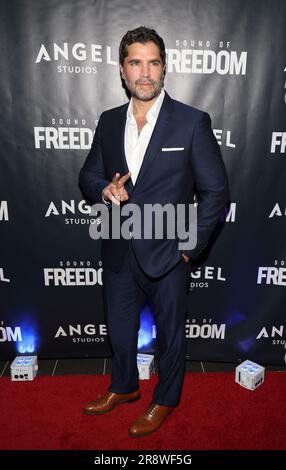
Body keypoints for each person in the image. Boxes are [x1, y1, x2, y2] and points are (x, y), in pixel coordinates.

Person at [79, 26, 229, 437]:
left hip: (168, 252)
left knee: (171, 336)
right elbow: (88, 174)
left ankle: (164, 399)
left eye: (153, 63)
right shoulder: (109, 122)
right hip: (117, 246)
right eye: (135, 62)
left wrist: (189, 247)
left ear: (164, 67)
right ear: (122, 70)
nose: (145, 73)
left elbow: (216, 191)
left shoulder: (192, 122)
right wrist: (103, 188)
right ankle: (124, 387)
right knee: (120, 329)